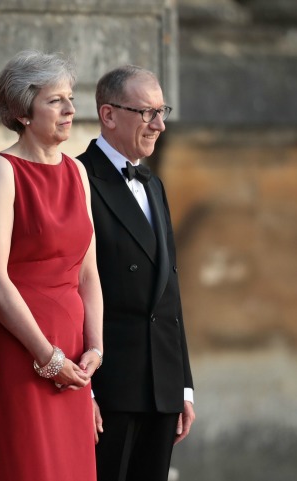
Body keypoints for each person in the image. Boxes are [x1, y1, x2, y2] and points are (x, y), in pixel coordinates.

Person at [0, 50, 104, 481]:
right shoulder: (0, 171)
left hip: (74, 356)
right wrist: (46, 356)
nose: (70, 110)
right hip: (22, 349)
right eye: (56, 100)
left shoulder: (77, 172)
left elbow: (88, 274)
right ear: (22, 111)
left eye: (70, 98)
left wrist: (94, 351)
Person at [77, 65, 195, 481]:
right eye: (147, 113)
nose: (160, 124)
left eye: (161, 111)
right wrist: (83, 390)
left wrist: (182, 385)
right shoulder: (77, 178)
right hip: (111, 386)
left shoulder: (153, 184)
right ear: (108, 115)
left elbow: (169, 289)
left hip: (161, 386)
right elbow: (71, 287)